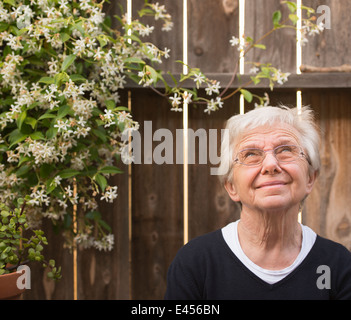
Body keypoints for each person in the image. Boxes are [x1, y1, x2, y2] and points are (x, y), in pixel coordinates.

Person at [164, 105, 351, 300]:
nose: (270, 165)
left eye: (286, 150)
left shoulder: (336, 266)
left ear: (310, 178)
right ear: (231, 187)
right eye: (251, 154)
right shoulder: (196, 263)